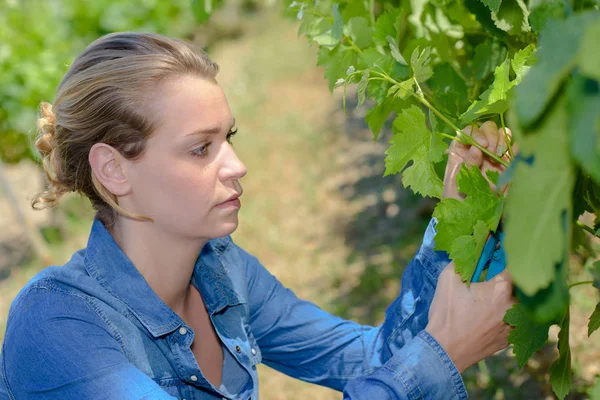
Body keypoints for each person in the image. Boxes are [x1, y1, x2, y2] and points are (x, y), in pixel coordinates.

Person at [0, 32, 515, 400]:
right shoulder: (58, 327)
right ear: (114, 171)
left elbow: (372, 358)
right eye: (200, 149)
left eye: (229, 138)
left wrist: (457, 215)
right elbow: (411, 365)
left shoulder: (221, 270)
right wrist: (438, 356)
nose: (237, 166)